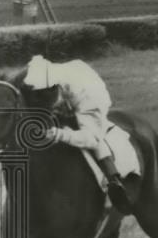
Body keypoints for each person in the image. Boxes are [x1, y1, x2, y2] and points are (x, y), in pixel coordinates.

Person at [23, 54, 136, 213]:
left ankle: (114, 181)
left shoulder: (86, 96)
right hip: (66, 93)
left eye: (47, 94)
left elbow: (91, 139)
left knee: (97, 141)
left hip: (88, 101)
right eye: (40, 94)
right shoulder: (37, 80)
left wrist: (60, 135)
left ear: (59, 88)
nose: (43, 99)